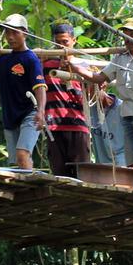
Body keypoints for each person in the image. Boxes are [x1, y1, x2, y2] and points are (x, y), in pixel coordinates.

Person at [82, 18, 133, 196]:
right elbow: (98, 78)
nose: (128, 37)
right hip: (127, 113)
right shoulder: (119, 58)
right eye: (125, 34)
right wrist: (75, 68)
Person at [0, 14, 46, 169]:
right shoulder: (3, 60)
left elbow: (40, 87)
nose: (11, 37)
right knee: (16, 163)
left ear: (25, 33)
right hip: (10, 116)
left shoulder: (31, 59)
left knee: (22, 155)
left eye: (15, 32)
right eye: (7, 32)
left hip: (30, 114)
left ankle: (30, 190)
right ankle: (25, 187)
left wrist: (41, 111)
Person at [41, 23, 94, 177]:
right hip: (54, 125)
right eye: (58, 42)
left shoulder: (85, 66)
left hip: (78, 125)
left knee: (82, 175)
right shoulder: (45, 65)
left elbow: (90, 96)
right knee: (59, 175)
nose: (62, 46)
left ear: (74, 40)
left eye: (65, 42)